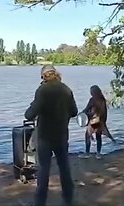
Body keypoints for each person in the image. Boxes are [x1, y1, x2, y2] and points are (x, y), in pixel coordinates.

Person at [25, 64, 78, 206]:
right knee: (64, 168)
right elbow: (74, 112)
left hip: (45, 138)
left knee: (43, 170)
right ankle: (68, 200)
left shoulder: (42, 90)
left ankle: (40, 202)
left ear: (43, 76)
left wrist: (34, 106)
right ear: (56, 73)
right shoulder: (66, 89)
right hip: (61, 135)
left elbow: (29, 115)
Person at [78, 85, 116, 160]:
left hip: (94, 121)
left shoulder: (92, 100)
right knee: (98, 137)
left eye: (91, 91)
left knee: (87, 136)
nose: (90, 92)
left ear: (93, 92)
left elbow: (86, 109)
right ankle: (98, 154)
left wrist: (80, 114)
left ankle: (87, 153)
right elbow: (105, 113)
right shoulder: (102, 100)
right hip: (100, 121)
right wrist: (104, 122)